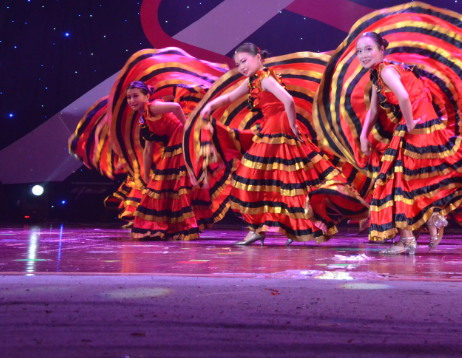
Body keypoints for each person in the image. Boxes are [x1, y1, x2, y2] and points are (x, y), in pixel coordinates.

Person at [198, 43, 358, 246]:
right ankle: (270, 229)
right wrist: (210, 105)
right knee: (281, 181)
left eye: (244, 61)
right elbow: (230, 97)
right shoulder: (253, 80)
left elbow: (288, 100)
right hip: (271, 128)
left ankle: (271, 229)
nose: (242, 67)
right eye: (238, 64)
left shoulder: (265, 78)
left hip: (278, 130)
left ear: (258, 57)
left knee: (258, 177)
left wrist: (292, 125)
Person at [356, 32, 453, 254]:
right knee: (409, 182)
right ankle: (432, 219)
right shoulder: (379, 73)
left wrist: (409, 124)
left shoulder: (386, 71)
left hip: (418, 127)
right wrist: (363, 136)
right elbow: (373, 109)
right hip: (423, 126)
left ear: (381, 49)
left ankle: (410, 239)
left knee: (395, 181)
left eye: (369, 49)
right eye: (359, 51)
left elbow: (404, 97)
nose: (363, 55)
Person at [126, 81, 201, 240]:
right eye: (129, 97)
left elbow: (176, 107)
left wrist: (187, 127)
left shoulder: (153, 106)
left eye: (135, 96)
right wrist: (146, 175)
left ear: (147, 96)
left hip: (180, 140)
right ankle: (175, 226)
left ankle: (183, 226)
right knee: (172, 187)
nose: (132, 100)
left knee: (177, 186)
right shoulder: (144, 119)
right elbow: (148, 150)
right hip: (173, 146)